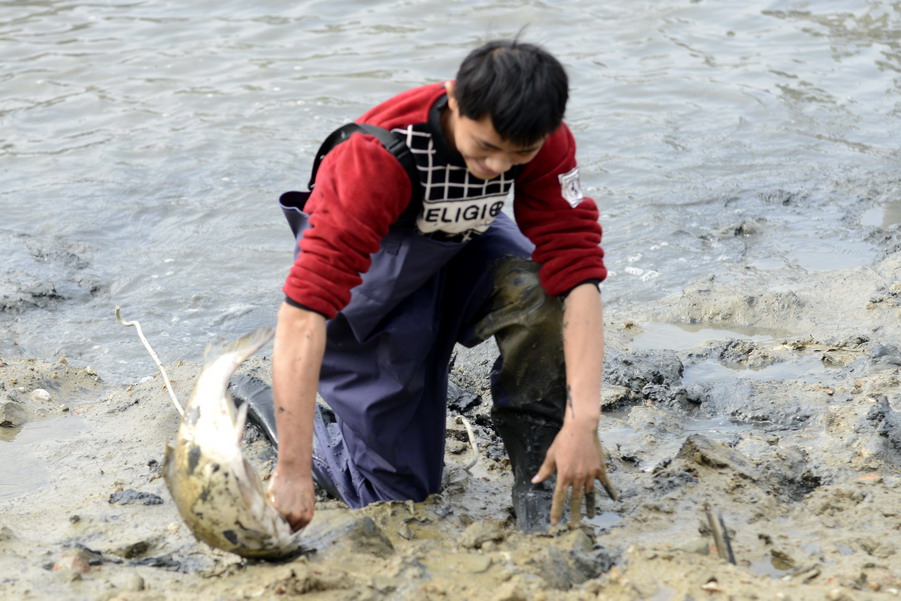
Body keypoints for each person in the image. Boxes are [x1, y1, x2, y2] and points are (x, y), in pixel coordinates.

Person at [263, 39, 615, 534]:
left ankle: (538, 481)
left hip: (463, 245)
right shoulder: (373, 160)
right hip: (375, 265)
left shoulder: (539, 136)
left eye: (520, 155)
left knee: (540, 292)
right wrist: (292, 471)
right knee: (399, 492)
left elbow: (578, 273)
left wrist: (583, 422)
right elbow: (302, 314)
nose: (498, 167)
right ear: (454, 100)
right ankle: (278, 417)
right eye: (486, 148)